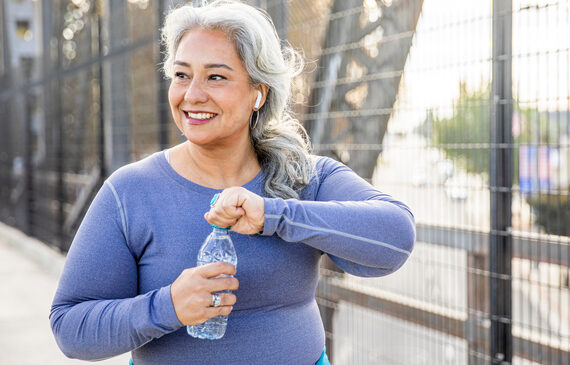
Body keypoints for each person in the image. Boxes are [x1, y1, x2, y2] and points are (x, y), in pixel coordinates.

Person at [50, 1, 415, 364]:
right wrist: (168, 306)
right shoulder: (129, 191)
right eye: (181, 75)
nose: (192, 94)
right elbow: (70, 328)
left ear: (259, 92)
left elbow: (396, 239)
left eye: (216, 76)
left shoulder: (305, 177)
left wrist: (275, 216)